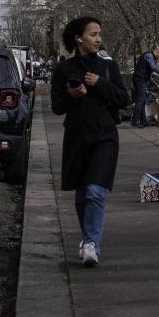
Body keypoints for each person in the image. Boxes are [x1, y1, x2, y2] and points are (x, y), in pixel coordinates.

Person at [51, 16, 129, 268]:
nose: (98, 39)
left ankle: (91, 243)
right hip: (76, 137)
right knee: (82, 192)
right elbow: (57, 107)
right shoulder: (64, 69)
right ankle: (87, 239)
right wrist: (72, 95)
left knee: (95, 190)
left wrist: (100, 83)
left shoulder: (108, 67)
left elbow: (123, 99)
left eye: (99, 34)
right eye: (93, 34)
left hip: (105, 136)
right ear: (78, 38)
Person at [131, 44, 159, 127]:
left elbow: (148, 76)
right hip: (139, 80)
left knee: (142, 101)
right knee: (140, 100)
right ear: (157, 51)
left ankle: (143, 121)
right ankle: (135, 121)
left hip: (141, 79)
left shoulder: (148, 56)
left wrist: (157, 86)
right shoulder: (148, 56)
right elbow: (153, 67)